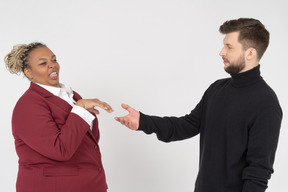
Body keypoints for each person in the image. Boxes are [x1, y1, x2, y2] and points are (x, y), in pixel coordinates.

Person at [115, 18, 283, 192]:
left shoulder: (266, 104)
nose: (221, 52)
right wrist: (143, 121)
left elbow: (258, 173)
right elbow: (187, 125)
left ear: (250, 53)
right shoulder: (217, 88)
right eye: (223, 45)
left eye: (229, 47)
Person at [5, 42, 113, 192]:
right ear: (29, 72)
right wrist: (80, 109)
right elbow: (59, 150)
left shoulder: (73, 96)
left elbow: (89, 144)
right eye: (43, 63)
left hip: (91, 185)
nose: (52, 65)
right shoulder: (28, 104)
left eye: (54, 60)